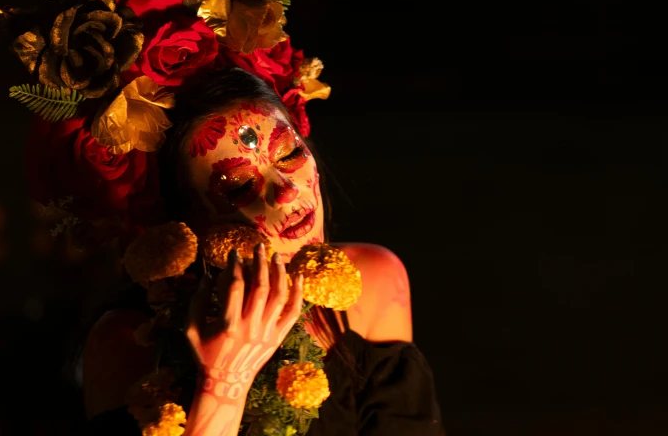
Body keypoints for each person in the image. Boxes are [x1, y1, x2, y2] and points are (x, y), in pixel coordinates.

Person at [80, 68, 444, 435]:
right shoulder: (128, 342)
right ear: (183, 220)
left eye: (290, 154)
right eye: (239, 186)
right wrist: (224, 383)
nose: (286, 190)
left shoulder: (371, 283)